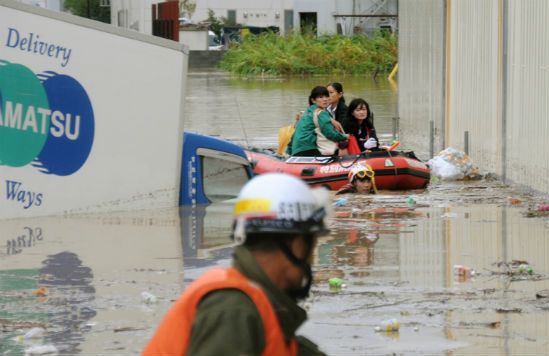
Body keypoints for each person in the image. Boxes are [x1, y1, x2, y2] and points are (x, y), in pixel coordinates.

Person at [144, 173, 329, 356]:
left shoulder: (255, 309)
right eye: (312, 248)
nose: (311, 261)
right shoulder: (233, 309)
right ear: (295, 244)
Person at [288, 86, 348, 156]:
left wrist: (289, 151)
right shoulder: (321, 113)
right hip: (308, 149)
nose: (325, 99)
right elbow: (329, 133)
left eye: (326, 96)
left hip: (296, 150)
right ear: (313, 100)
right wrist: (345, 137)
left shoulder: (306, 112)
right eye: (321, 97)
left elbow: (294, 134)